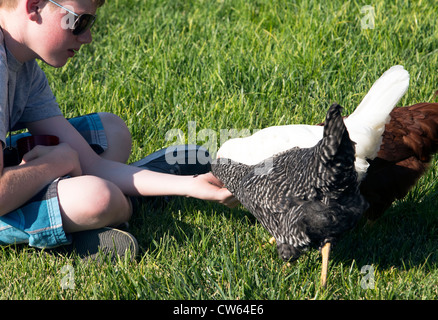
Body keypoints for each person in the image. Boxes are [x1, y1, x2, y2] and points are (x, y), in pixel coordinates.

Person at [0, 0, 237, 260]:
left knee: (111, 132)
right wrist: (58, 162)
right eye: (80, 22)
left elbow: (91, 164)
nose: (87, 37)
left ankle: (79, 215)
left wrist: (189, 186)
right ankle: (115, 206)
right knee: (99, 197)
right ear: (34, 7)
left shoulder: (26, 69)